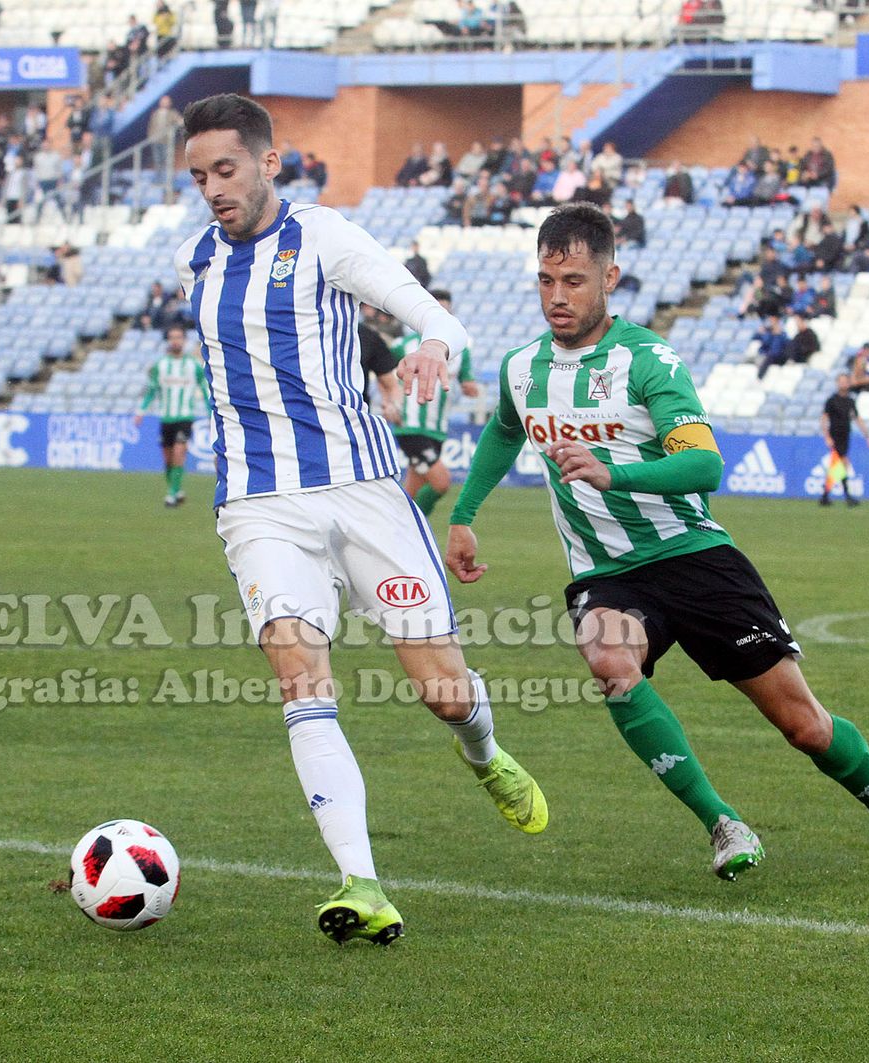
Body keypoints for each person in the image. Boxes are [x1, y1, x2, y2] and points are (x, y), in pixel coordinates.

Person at [444, 203, 869, 885]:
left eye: (573, 281)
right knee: (609, 659)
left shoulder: (649, 361)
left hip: (696, 556)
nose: (557, 297)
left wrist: (613, 471)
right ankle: (722, 821)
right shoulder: (520, 367)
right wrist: (466, 513)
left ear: (610, 277)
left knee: (804, 726)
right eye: (545, 281)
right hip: (610, 571)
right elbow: (506, 428)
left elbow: (707, 466)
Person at [174, 94, 548, 944]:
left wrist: (434, 346)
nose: (212, 189)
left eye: (225, 170)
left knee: (443, 691)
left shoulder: (324, 238)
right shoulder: (197, 258)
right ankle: (361, 881)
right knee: (300, 676)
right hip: (259, 501)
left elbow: (434, 315)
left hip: (365, 492)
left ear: (270, 162)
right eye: (198, 176)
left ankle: (485, 755)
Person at [389, 289, 480, 516]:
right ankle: (417, 530)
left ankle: (398, 529)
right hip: (411, 426)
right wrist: (390, 403)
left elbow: (468, 383)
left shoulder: (460, 352)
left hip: (437, 429)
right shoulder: (404, 345)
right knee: (441, 482)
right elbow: (385, 379)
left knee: (410, 492)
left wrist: (471, 388)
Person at [133, 324, 210, 507]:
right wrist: (140, 412)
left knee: (179, 452)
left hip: (185, 417)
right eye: (172, 337)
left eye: (179, 337)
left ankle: (172, 493)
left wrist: (210, 413)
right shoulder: (160, 365)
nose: (175, 340)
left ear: (184, 340)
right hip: (166, 418)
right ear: (168, 340)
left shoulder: (194, 365)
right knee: (168, 459)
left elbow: (204, 389)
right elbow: (152, 391)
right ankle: (177, 488)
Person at [820, 371, 869, 507]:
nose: (843, 383)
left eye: (845, 381)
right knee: (841, 464)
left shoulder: (850, 401)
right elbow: (824, 418)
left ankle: (825, 496)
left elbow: (857, 418)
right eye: (841, 381)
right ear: (837, 383)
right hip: (835, 436)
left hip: (845, 436)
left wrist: (866, 434)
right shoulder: (831, 400)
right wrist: (827, 436)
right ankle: (847, 497)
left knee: (837, 466)